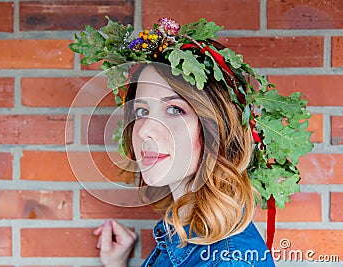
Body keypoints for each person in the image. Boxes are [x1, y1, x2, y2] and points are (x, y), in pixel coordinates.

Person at [70, 17, 313, 267]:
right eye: (142, 111)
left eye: (174, 110)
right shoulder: (180, 231)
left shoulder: (229, 261)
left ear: (215, 129)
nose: (144, 131)